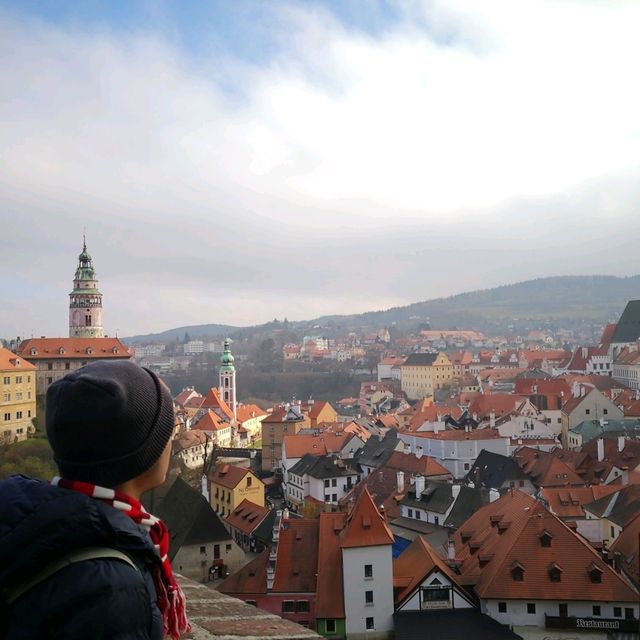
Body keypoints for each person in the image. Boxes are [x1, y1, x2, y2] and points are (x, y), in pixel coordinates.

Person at [0, 360, 191, 639]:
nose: (172, 441)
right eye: (167, 432)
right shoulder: (113, 589)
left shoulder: (32, 519)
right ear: (142, 454)